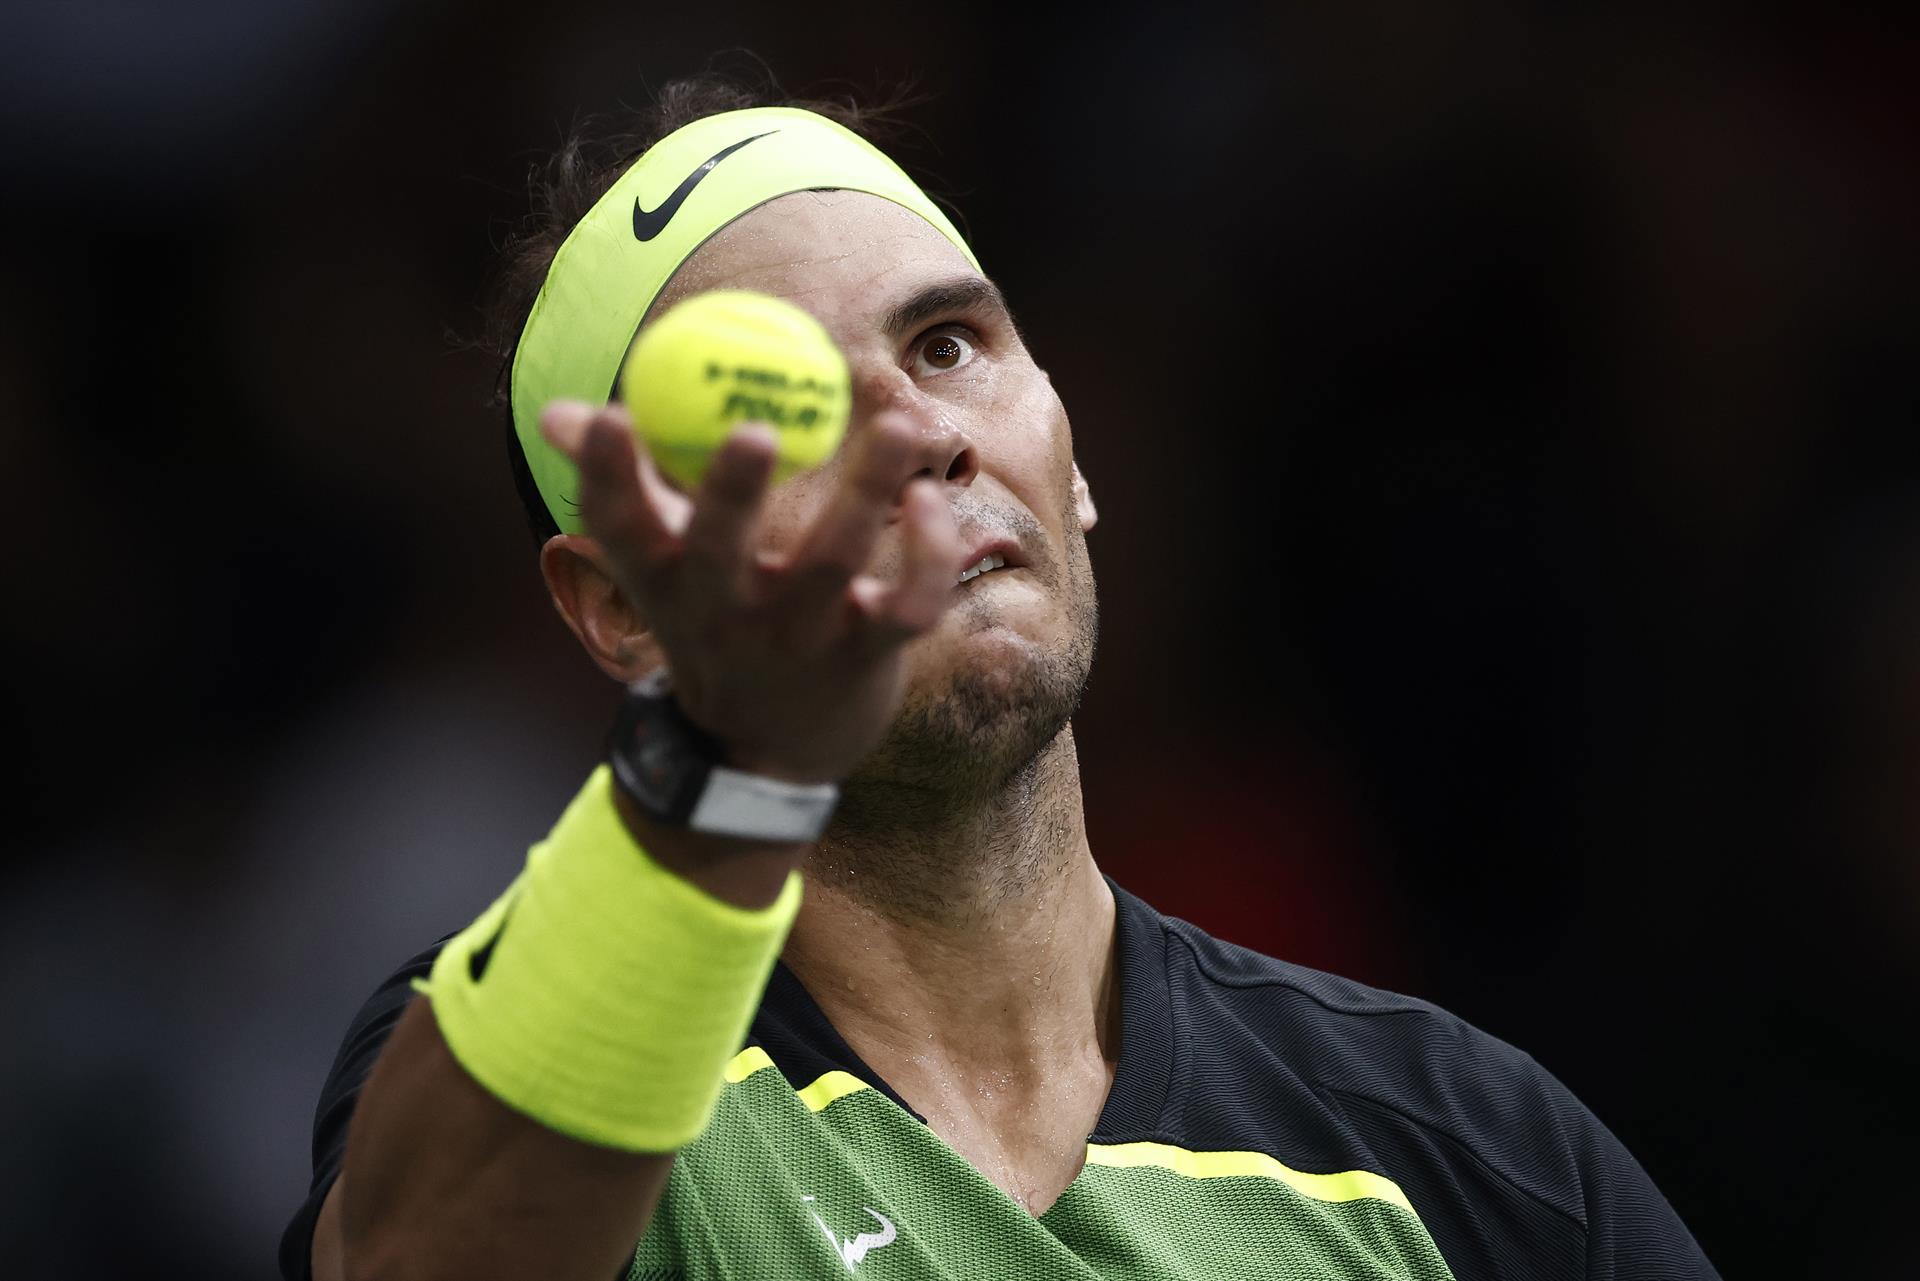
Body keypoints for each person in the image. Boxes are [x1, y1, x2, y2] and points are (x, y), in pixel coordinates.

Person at [281, 76, 1720, 1281]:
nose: (917, 435)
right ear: (621, 609)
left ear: (1073, 457)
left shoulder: (1451, 1150)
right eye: (786, 413)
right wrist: (729, 764)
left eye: (950, 344)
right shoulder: (548, 1090)